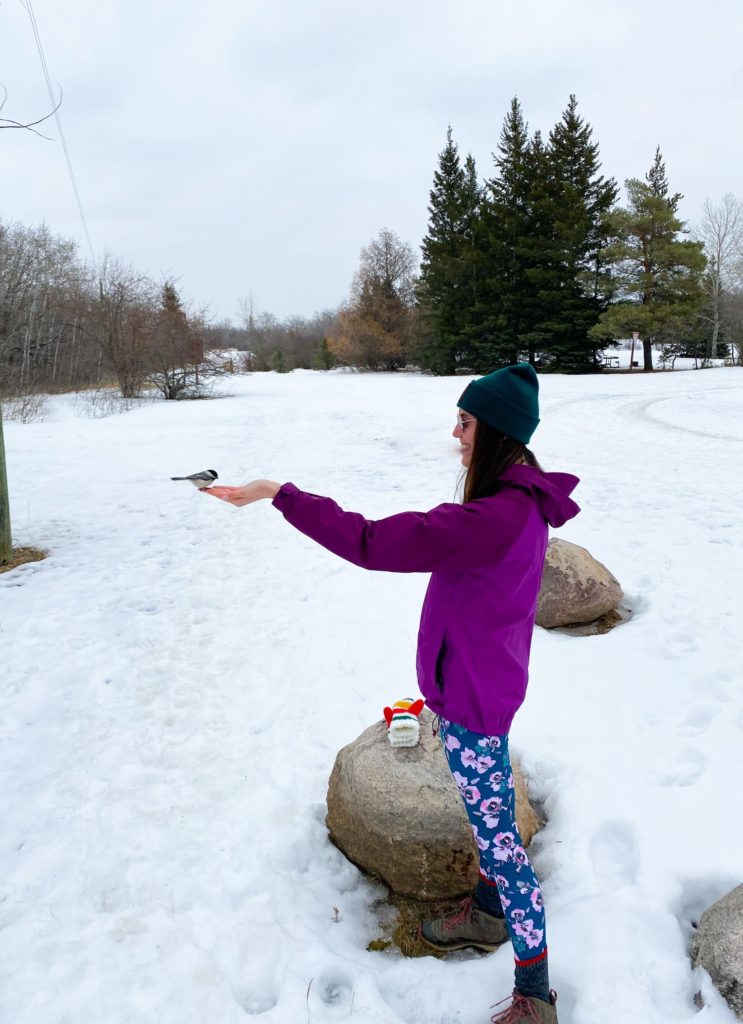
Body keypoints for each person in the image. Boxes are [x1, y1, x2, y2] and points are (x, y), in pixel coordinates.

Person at [203, 363, 580, 1024]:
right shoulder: (516, 504)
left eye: (465, 423)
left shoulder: (492, 517)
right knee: (484, 815)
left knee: (499, 844)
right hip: (480, 688)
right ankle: (488, 915)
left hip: (476, 703)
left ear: (494, 432)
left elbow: (372, 542)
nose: (455, 434)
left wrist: (279, 493)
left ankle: (534, 992)